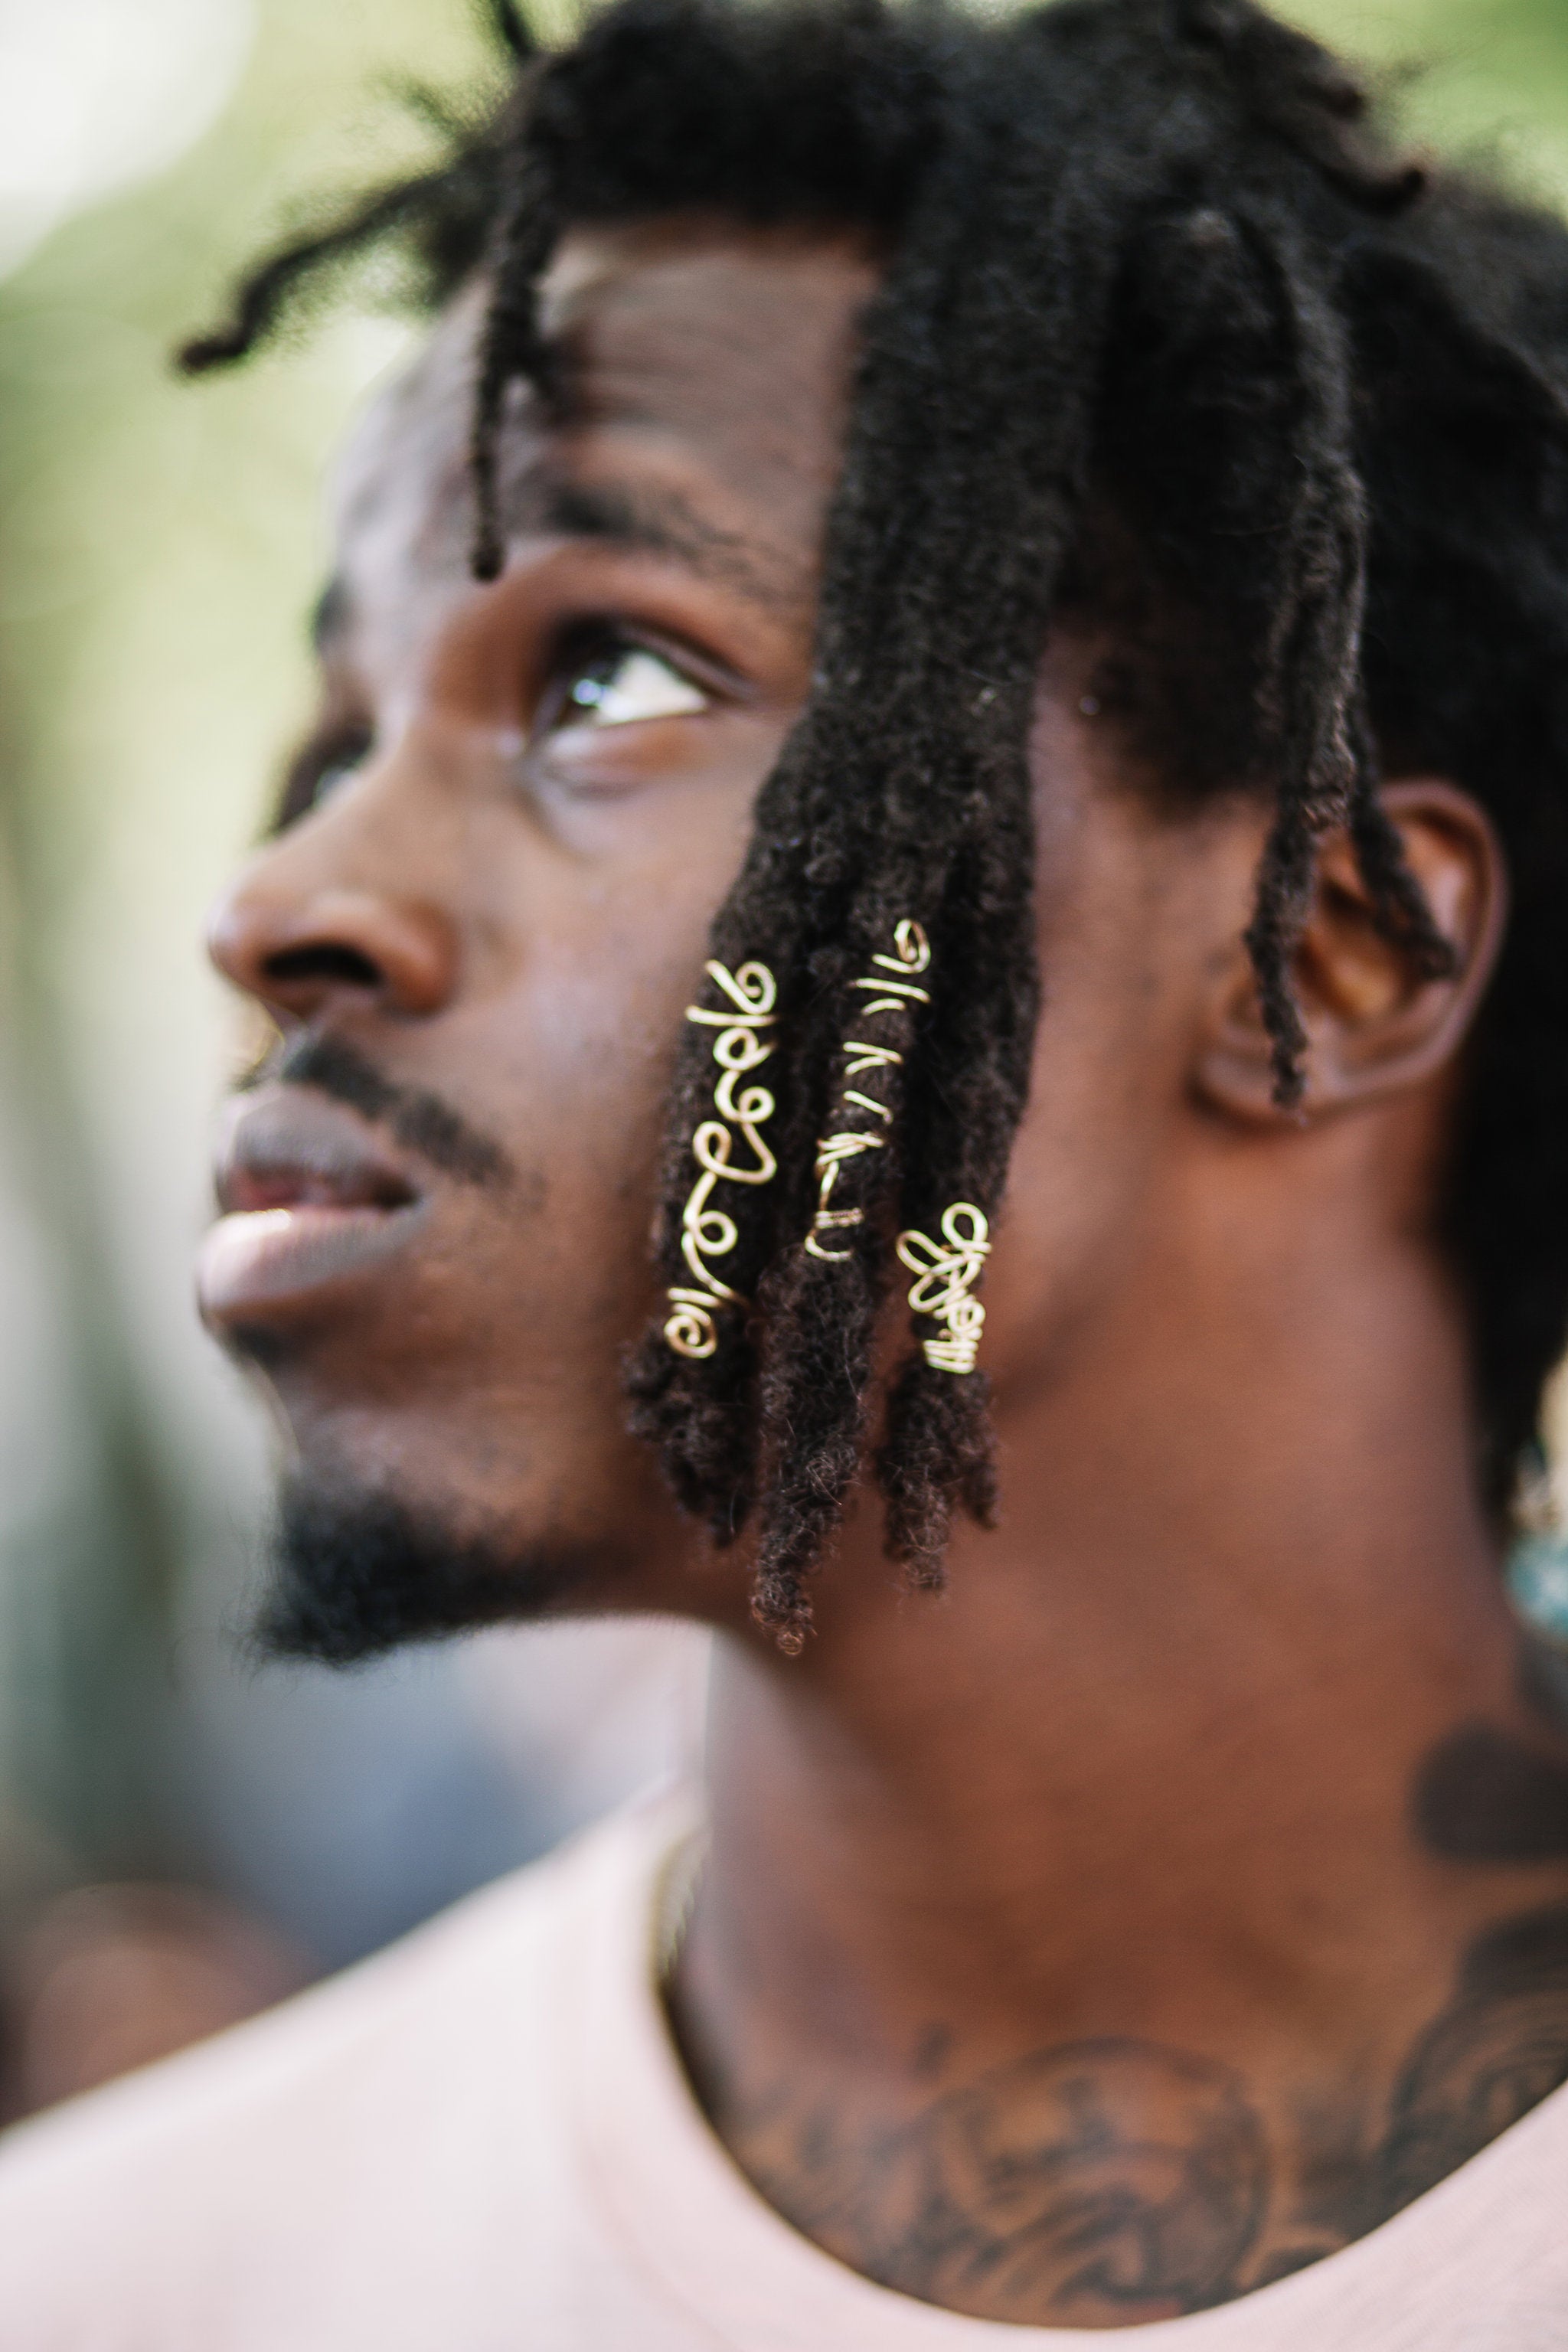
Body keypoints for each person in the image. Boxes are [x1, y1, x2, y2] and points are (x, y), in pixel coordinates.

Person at [3, 0, 1568, 2337]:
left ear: (1328, 955)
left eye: (607, 673)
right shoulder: (129, 2284)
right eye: (338, 730)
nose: (282, 897)